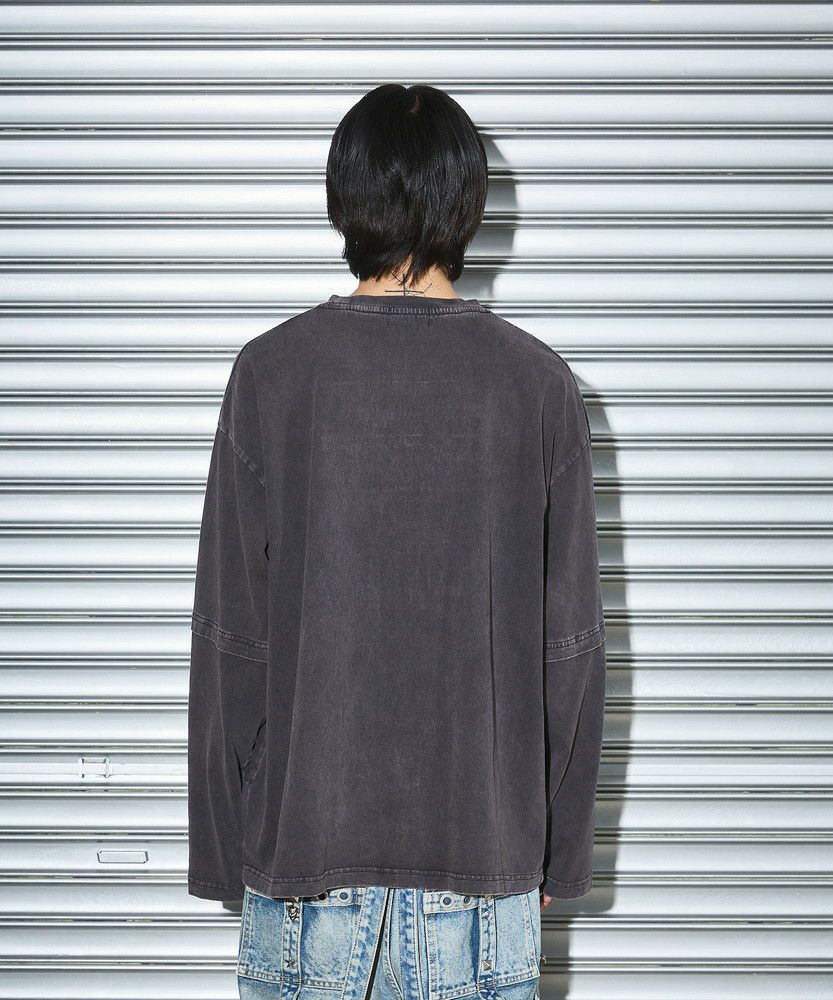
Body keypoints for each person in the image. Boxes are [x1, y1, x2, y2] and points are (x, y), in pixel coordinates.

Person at [187, 83, 606, 1000]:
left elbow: (230, 636)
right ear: (467, 205)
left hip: (306, 865)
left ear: (346, 199)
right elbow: (569, 651)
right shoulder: (536, 386)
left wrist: (223, 847)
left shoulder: (272, 374)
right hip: (483, 869)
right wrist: (557, 853)